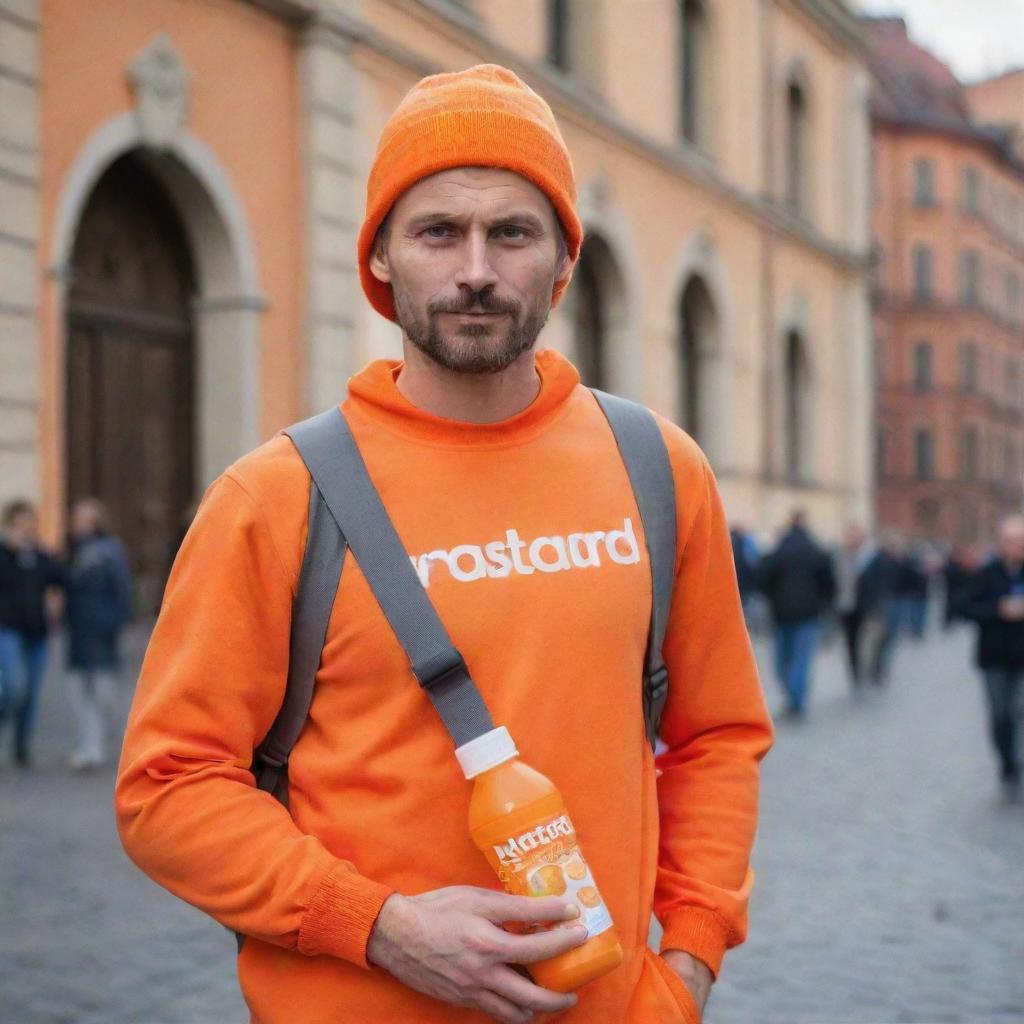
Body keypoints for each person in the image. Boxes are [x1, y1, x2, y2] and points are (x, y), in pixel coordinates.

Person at [114, 64, 774, 1024]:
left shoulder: (657, 469)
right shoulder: (275, 496)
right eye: (437, 231)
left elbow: (718, 737)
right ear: (380, 258)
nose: (475, 268)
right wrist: (379, 926)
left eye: (512, 231)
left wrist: (690, 964)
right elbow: (166, 789)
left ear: (563, 261)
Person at [65, 497, 134, 771]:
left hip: (101, 629)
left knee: (103, 691)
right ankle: (88, 747)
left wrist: (116, 622)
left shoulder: (108, 550)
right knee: (79, 690)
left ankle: (112, 742)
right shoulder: (74, 550)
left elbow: (121, 589)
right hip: (79, 630)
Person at [961, 514, 1024, 803]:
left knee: (1019, 710)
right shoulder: (986, 573)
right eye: (1012, 541)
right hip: (994, 655)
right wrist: (998, 610)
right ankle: (1006, 761)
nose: (1017, 547)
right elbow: (966, 608)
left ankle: (1018, 760)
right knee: (1000, 713)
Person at [0, 499, 64, 767]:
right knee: (15, 686)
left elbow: (60, 577)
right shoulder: (3, 555)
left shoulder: (38, 555)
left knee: (31, 693)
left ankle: (21, 748)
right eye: (21, 523)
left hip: (36, 631)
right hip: (8, 628)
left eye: (30, 523)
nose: (26, 529)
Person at [758, 510, 836, 718]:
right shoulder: (815, 549)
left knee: (782, 660)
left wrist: (772, 598)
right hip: (808, 613)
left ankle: (793, 694)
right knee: (801, 658)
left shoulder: (780, 549)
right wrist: (823, 604)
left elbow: (763, 577)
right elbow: (828, 583)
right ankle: (797, 698)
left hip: (781, 612)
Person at [833, 523, 874, 690]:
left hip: (866, 605)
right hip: (846, 604)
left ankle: (865, 669)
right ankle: (855, 670)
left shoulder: (869, 556)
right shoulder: (839, 556)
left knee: (865, 640)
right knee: (850, 641)